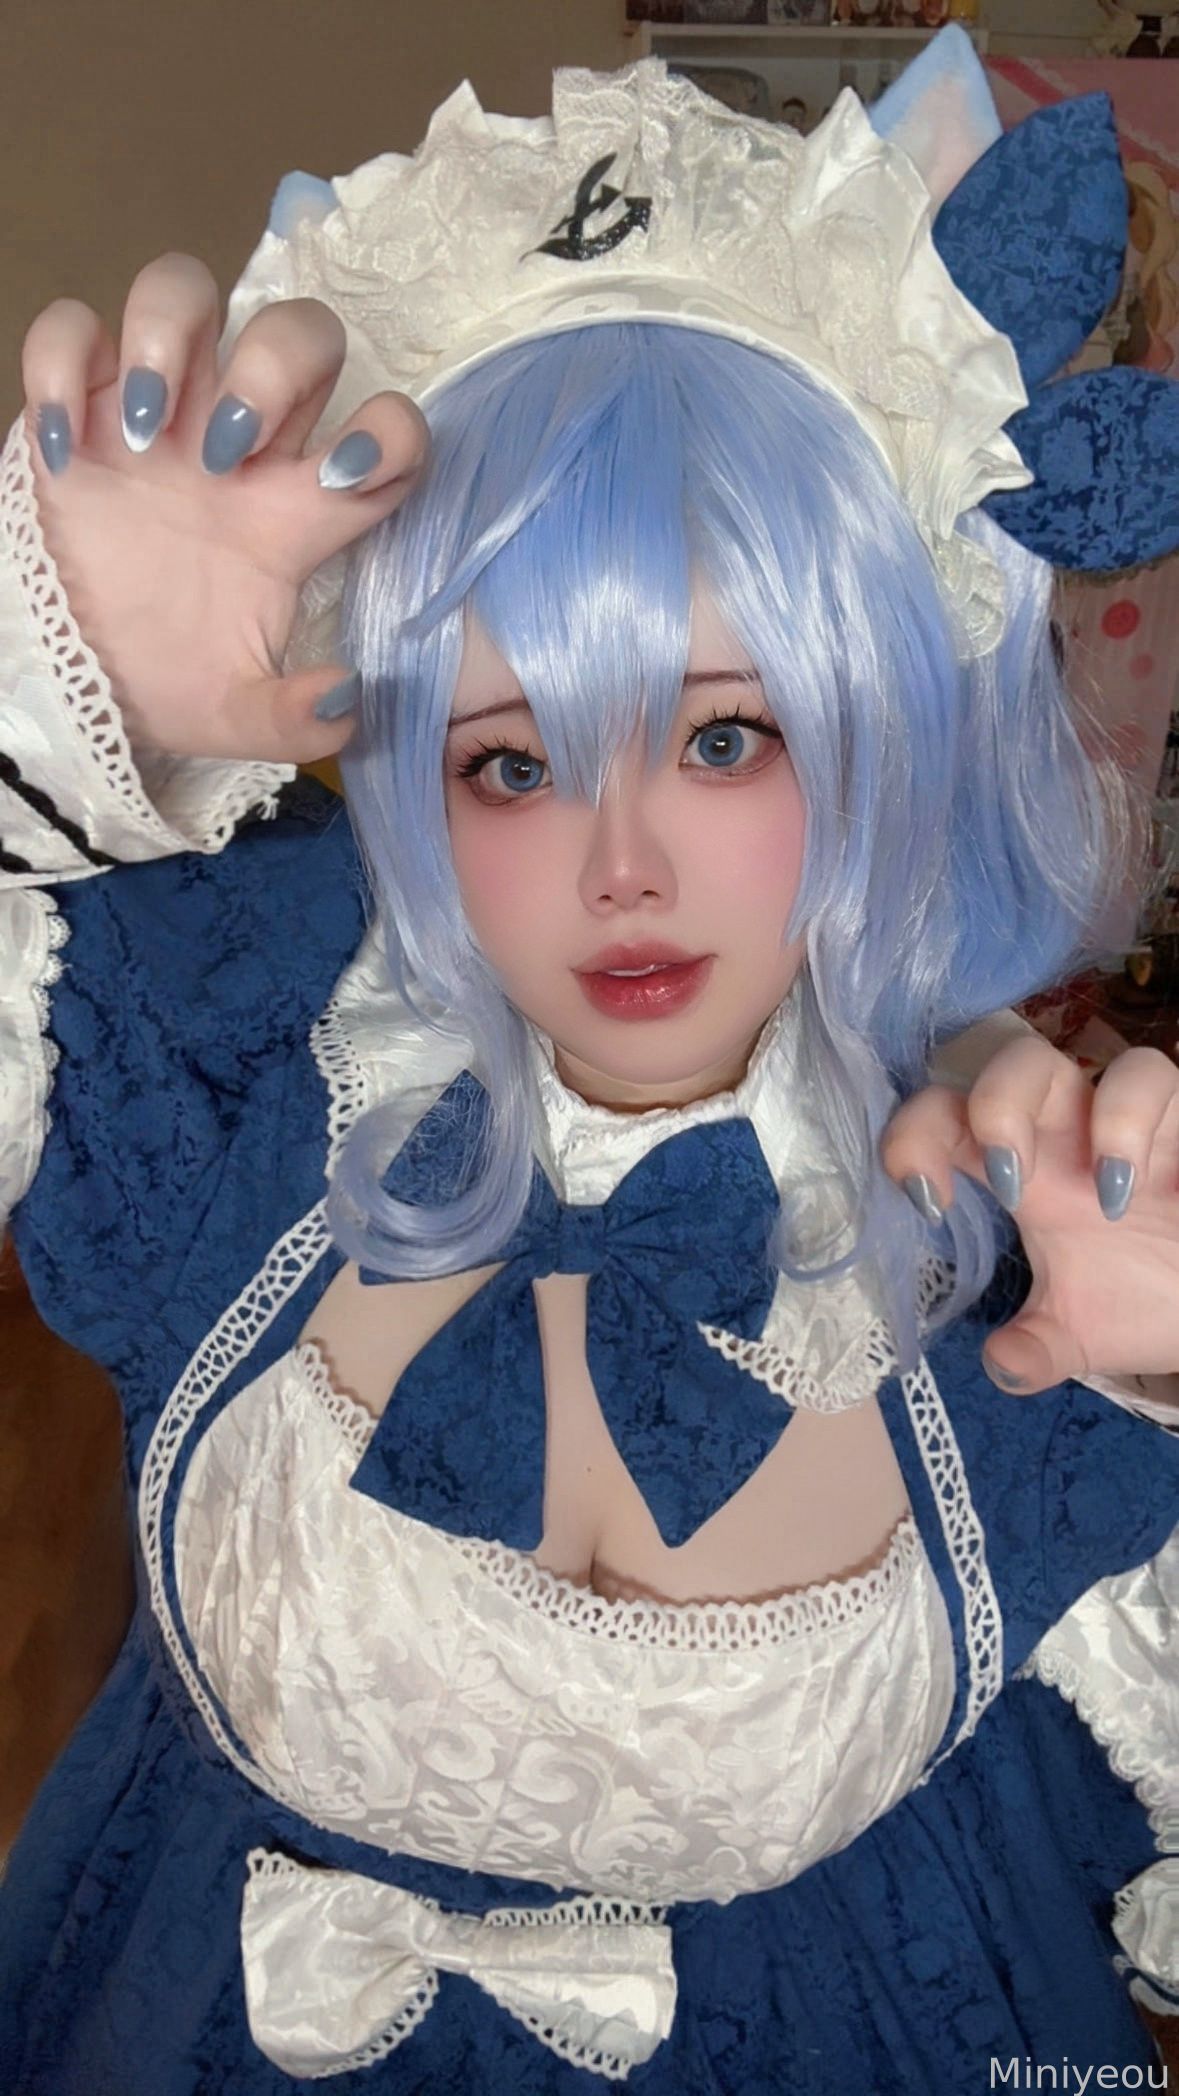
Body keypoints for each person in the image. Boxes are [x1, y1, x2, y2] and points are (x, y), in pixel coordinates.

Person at [1, 33, 1178, 2095]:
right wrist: (44, 712)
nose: (619, 865)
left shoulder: (1026, 1261)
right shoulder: (231, 1071)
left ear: (883, 734)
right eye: (509, 761)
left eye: (723, 735)